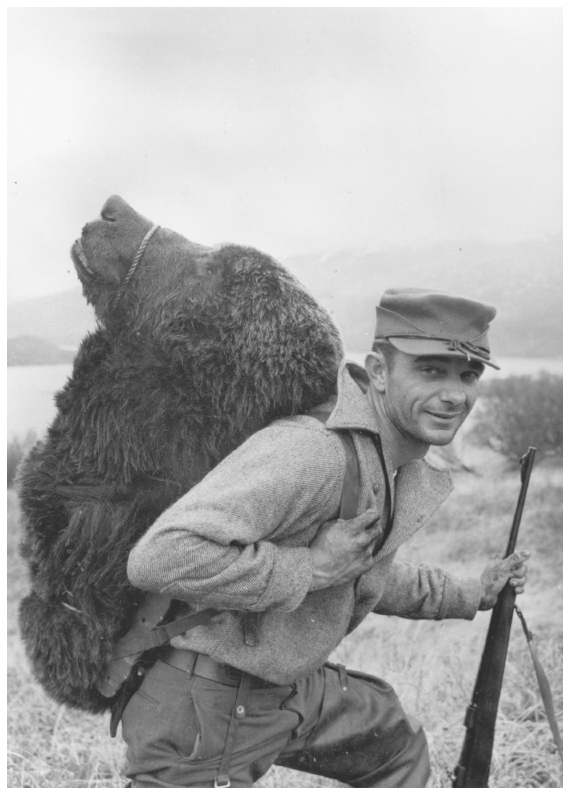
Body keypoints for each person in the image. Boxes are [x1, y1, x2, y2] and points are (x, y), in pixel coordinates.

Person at [124, 288, 529, 788]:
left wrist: (473, 592)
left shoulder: (382, 455)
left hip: (288, 686)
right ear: (378, 372)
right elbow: (159, 557)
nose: (454, 394)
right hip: (206, 704)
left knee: (394, 743)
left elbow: (363, 568)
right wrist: (310, 569)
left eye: (468, 375)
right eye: (431, 370)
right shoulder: (315, 453)